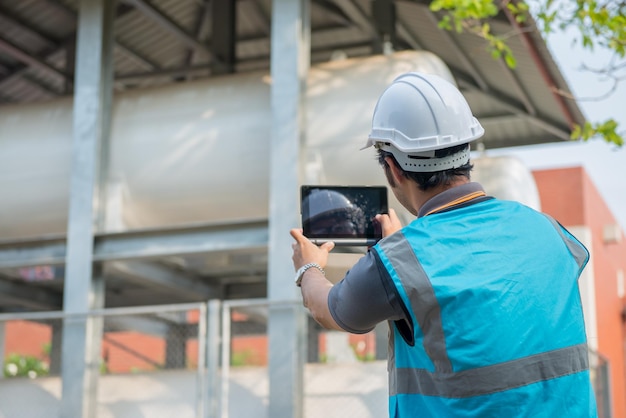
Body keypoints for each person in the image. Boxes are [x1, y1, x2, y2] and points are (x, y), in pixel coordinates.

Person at [290, 72, 597, 417]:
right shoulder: (548, 228)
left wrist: (309, 266)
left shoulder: (399, 262)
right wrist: (401, 258)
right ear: (466, 152)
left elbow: (328, 309)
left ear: (392, 168)